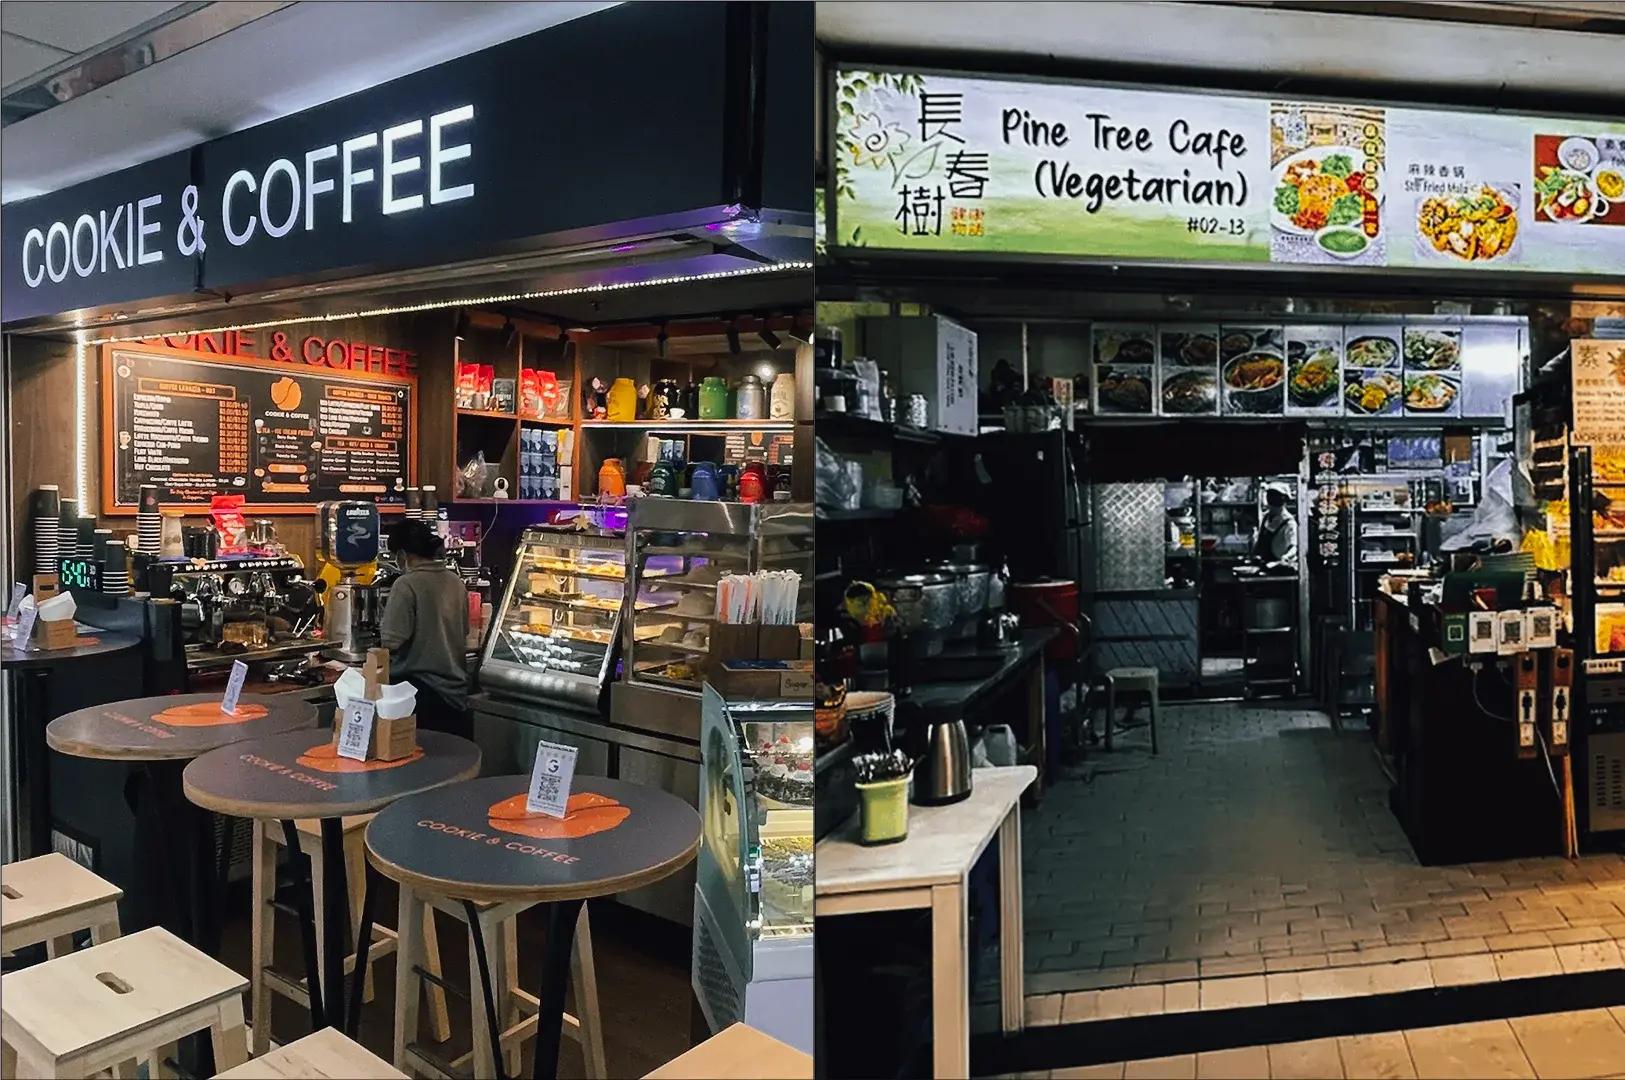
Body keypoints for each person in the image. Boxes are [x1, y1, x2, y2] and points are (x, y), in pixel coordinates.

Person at [379, 519, 471, 740]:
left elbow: (392, 641)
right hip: (456, 695)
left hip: (419, 697)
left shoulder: (406, 584)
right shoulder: (455, 581)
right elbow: (465, 629)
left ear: (402, 555)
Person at [1252, 481, 1298, 570]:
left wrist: (1286, 557)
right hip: (1263, 564)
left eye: (1275, 497)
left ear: (1283, 500)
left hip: (1279, 567)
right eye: (1270, 496)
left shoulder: (1289, 522)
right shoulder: (1265, 517)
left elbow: (1293, 547)